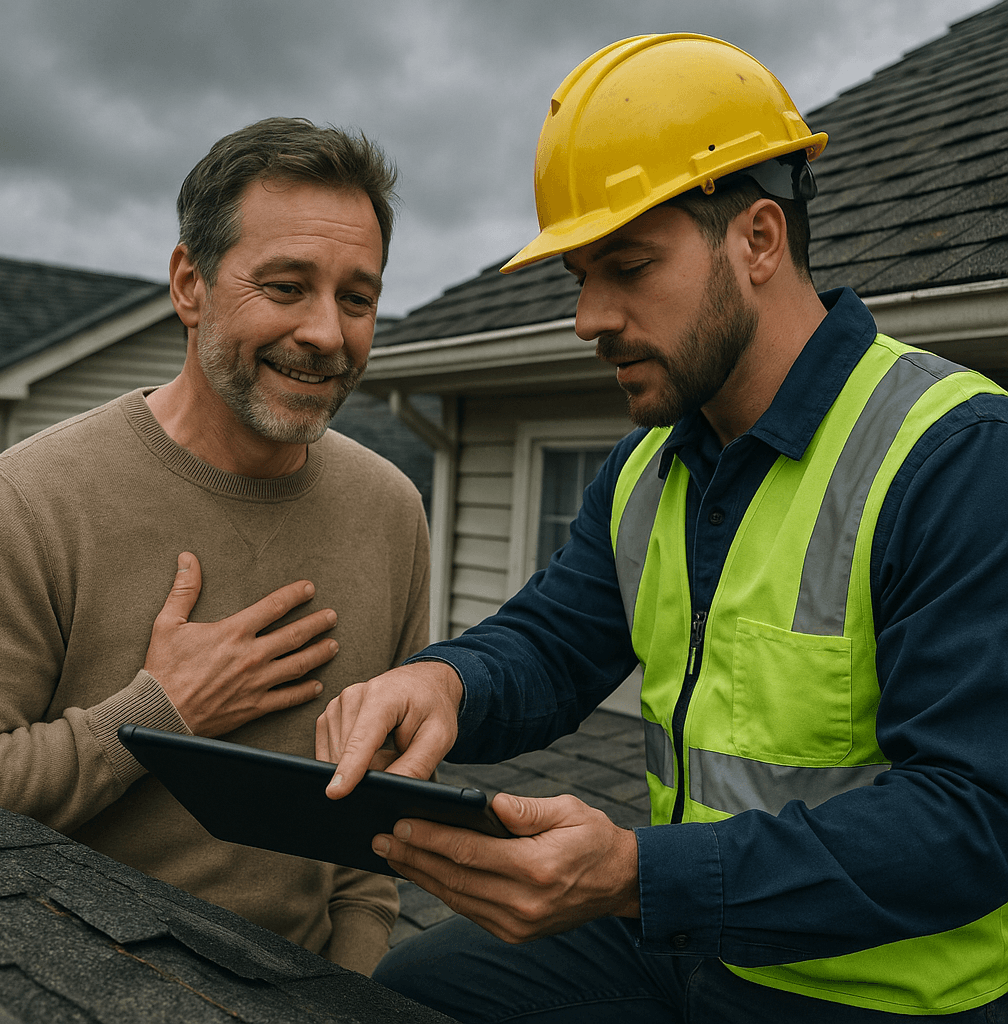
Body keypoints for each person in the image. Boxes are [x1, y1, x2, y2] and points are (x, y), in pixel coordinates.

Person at [316, 35, 1008, 1020]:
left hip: (875, 989)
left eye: (628, 267)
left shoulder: (953, 455)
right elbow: (553, 643)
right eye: (579, 277)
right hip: (684, 936)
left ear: (759, 239)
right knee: (409, 994)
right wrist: (443, 681)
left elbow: (976, 819)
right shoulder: (648, 464)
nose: (588, 316)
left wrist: (644, 874)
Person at [0, 117, 430, 976]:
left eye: (357, 297)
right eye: (286, 286)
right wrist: (158, 714)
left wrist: (354, 979)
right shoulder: (26, 504)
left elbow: (368, 828)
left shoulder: (390, 512)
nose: (327, 334)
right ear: (190, 284)